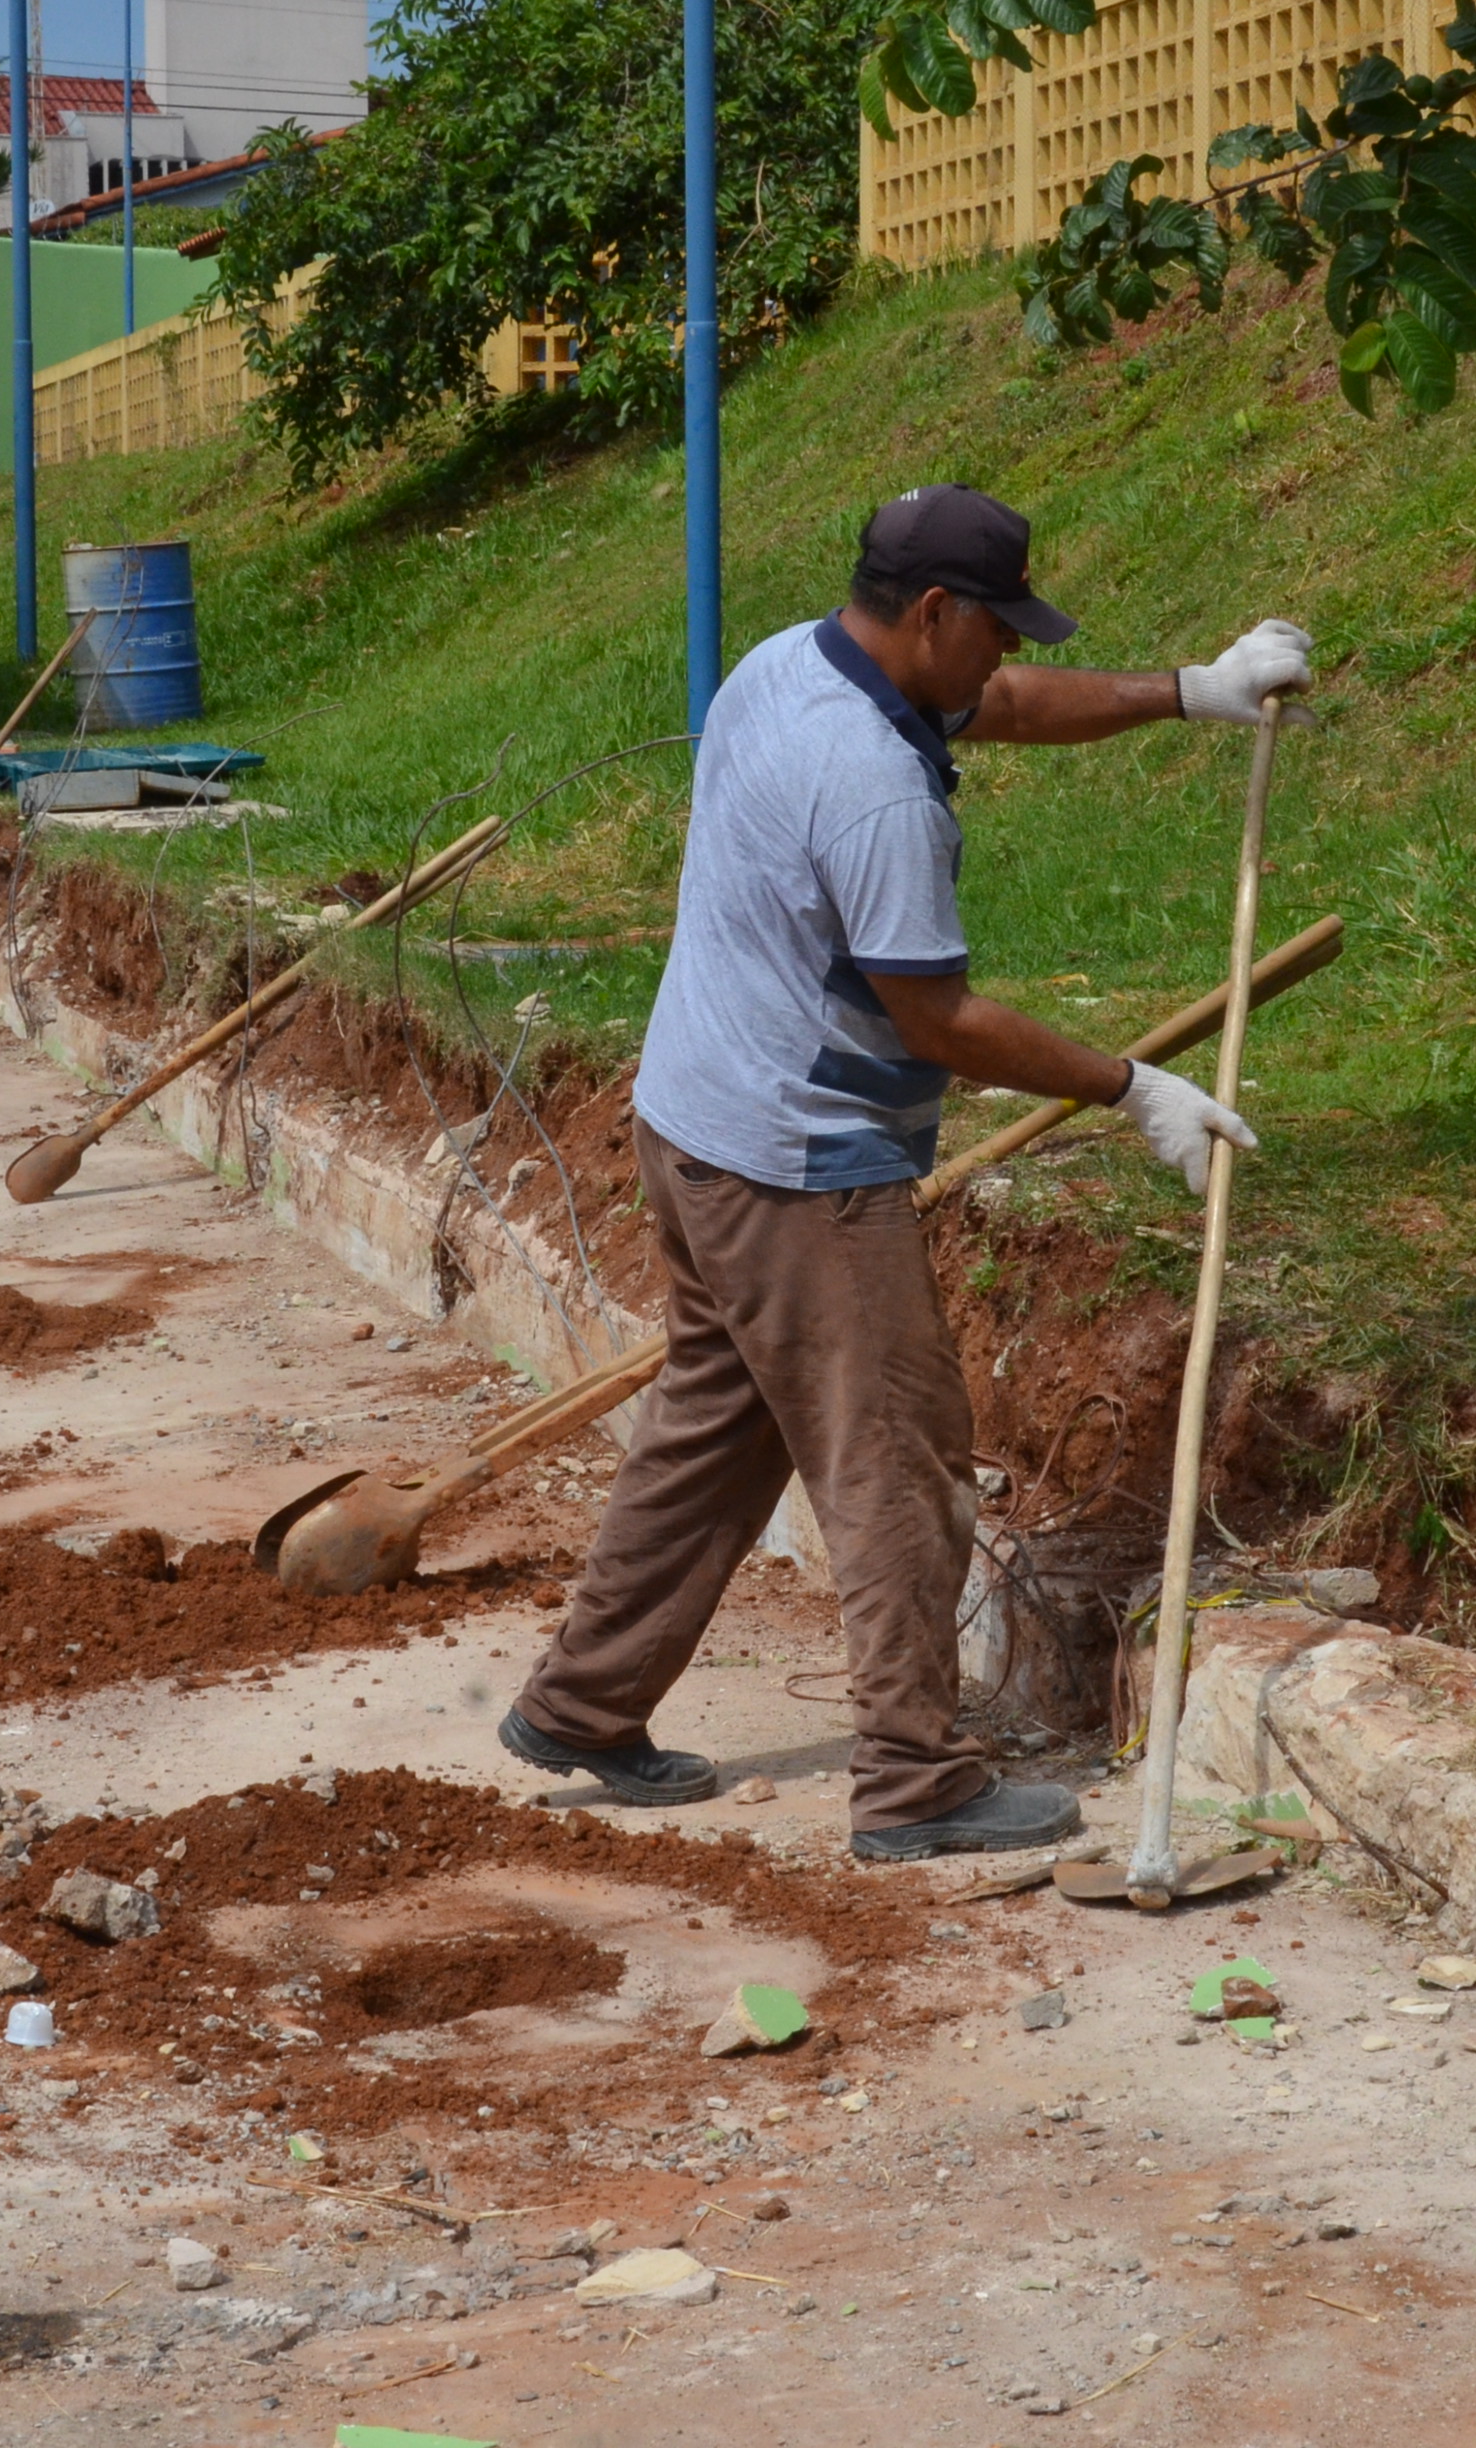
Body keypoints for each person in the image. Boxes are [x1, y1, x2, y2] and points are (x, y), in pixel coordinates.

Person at [503, 483, 1312, 1858]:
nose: (1004, 653)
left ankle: (583, 1701)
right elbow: (934, 1020)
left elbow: (1000, 705)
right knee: (899, 1463)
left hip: (693, 1120)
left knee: (718, 1425)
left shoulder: (790, 664)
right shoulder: (874, 791)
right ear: (930, 611)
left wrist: (1194, 691)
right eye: (992, 627)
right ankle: (914, 1783)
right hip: (797, 1167)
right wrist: (1134, 1088)